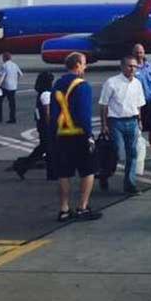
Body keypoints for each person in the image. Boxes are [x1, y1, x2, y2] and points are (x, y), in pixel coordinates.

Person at [49, 52, 101, 222]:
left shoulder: (57, 85)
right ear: (78, 65)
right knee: (88, 170)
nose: (86, 66)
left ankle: (64, 209)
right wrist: (89, 136)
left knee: (64, 173)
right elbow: (84, 114)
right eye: (84, 63)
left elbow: (53, 112)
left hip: (61, 135)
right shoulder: (82, 85)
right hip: (79, 134)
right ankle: (82, 207)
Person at [99, 56, 146, 194]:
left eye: (135, 66)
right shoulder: (111, 82)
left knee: (132, 153)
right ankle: (104, 174)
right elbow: (103, 104)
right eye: (130, 66)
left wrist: (140, 120)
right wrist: (104, 125)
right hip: (115, 121)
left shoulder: (137, 83)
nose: (133, 69)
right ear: (122, 67)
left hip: (132, 121)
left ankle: (129, 184)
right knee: (116, 153)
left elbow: (139, 105)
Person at [13, 71, 56, 179]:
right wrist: (51, 126)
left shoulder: (41, 93)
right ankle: (50, 173)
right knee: (49, 149)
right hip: (46, 126)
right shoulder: (46, 94)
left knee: (43, 148)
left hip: (41, 125)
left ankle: (23, 166)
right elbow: (47, 112)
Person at [0, 52, 22, 124]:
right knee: (12, 103)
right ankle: (13, 118)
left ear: (4, 58)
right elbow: (20, 74)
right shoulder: (15, 65)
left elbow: (2, 76)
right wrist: (16, 80)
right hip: (13, 86)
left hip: (5, 86)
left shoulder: (4, 66)